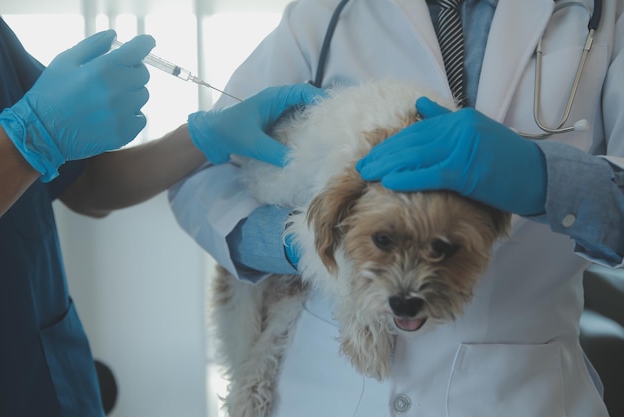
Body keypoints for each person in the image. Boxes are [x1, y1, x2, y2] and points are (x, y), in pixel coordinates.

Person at [169, 0, 624, 416]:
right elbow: (200, 176)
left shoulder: (608, 14)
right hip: (325, 386)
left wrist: (544, 178)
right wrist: (300, 242)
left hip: (517, 392)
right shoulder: (324, 13)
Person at [0, 14, 320, 417]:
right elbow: (37, 148)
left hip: (45, 372)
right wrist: (31, 135)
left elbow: (83, 184)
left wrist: (204, 136)